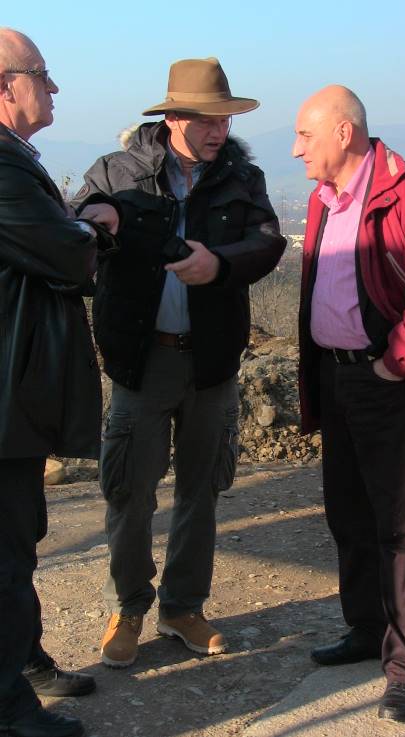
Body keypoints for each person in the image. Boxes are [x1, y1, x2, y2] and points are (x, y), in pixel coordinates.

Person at [72, 56, 285, 668]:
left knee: (202, 490)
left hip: (212, 362)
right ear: (172, 118)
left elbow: (267, 241)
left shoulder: (243, 177)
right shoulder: (117, 171)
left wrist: (220, 265)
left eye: (226, 119)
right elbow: (79, 216)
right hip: (142, 361)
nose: (220, 131)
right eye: (208, 120)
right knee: (129, 492)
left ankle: (183, 607)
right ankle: (128, 608)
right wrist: (97, 218)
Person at [0, 28, 120, 737]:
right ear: (4, 86)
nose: (53, 87)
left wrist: (71, 224)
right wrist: (94, 226)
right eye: (41, 74)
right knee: (5, 547)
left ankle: (23, 661)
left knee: (19, 535)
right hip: (5, 394)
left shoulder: (15, 158)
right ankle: (10, 709)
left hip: (13, 391)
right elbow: (65, 257)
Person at [294, 84, 405, 724]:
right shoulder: (323, 198)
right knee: (348, 511)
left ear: (344, 133)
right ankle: (367, 629)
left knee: (402, 527)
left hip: (387, 380)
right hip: (335, 377)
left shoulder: (404, 192)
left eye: (305, 135)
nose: (296, 150)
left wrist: (397, 361)